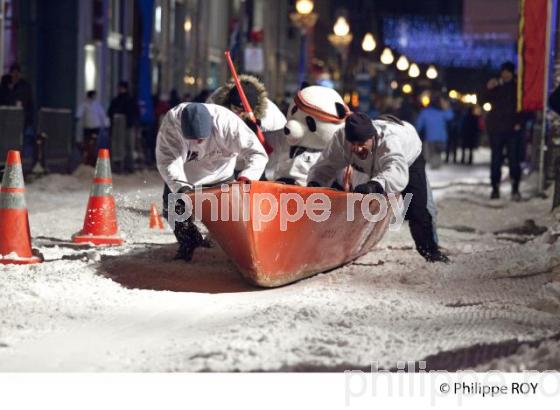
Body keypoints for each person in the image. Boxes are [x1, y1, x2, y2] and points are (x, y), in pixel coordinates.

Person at [307, 112, 448, 263]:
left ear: (372, 137)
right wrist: (314, 185)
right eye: (353, 144)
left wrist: (376, 185)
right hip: (368, 165)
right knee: (355, 194)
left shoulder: (391, 141)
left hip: (408, 159)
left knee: (417, 209)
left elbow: (396, 172)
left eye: (361, 144)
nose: (357, 148)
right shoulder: (341, 139)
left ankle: (431, 252)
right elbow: (326, 165)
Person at [156, 102, 268, 261]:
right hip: (186, 178)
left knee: (229, 217)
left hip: (221, 175)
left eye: (202, 138)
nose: (199, 143)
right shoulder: (172, 125)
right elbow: (168, 161)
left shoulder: (228, 123)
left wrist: (246, 178)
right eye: (194, 139)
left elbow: (257, 154)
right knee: (173, 209)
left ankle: (235, 250)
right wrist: (180, 188)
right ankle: (189, 242)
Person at [207, 74, 287, 180]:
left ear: (254, 109)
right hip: (223, 162)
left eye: (244, 111)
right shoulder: (215, 106)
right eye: (236, 108)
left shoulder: (272, 117)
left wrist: (257, 131)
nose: (239, 114)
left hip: (263, 164)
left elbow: (280, 149)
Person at [485, 61, 522, 201]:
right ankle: (495, 187)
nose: (505, 74)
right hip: (496, 129)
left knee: (514, 160)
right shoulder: (497, 87)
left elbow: (522, 107)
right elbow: (484, 100)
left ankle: (515, 188)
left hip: (513, 129)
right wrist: (489, 88)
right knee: (496, 160)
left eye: (507, 72)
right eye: (503, 71)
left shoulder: (517, 88)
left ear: (512, 73)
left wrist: (519, 122)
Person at [415, 92, 453, 169]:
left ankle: (434, 167)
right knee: (438, 153)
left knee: (432, 154)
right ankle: (437, 166)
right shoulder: (442, 112)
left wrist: (416, 132)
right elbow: (450, 116)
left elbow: (419, 124)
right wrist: (447, 106)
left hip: (430, 138)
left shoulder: (425, 112)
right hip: (442, 138)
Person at [108, 80, 139, 172]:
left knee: (122, 146)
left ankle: (124, 166)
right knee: (126, 146)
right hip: (124, 126)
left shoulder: (120, 100)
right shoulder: (129, 100)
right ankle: (127, 166)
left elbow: (111, 112)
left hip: (124, 126)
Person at [76, 90, 110, 165]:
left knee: (93, 142)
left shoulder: (95, 105)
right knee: (89, 142)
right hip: (89, 127)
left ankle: (92, 157)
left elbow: (102, 115)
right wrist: (105, 124)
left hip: (94, 127)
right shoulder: (86, 104)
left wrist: (105, 124)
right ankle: (89, 157)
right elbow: (102, 115)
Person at [10, 63, 35, 160]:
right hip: (9, 119)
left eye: (17, 73)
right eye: (14, 73)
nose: (15, 75)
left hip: (22, 119)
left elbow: (29, 103)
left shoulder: (25, 87)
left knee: (20, 141)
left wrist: (29, 119)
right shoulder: (6, 85)